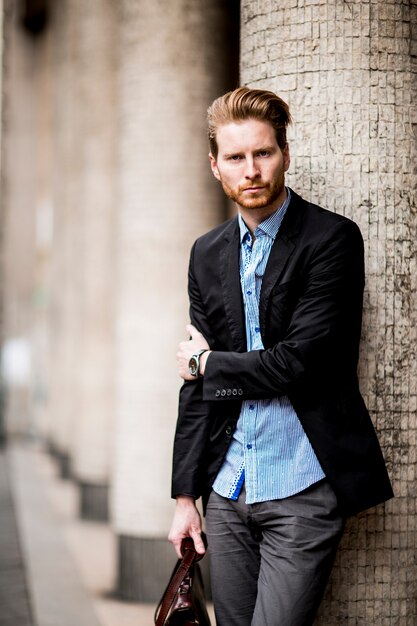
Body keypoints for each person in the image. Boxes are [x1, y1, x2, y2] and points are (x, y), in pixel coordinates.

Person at [169, 86, 393, 626]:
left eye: (263, 153)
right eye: (236, 157)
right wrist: (184, 497)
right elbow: (197, 390)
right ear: (215, 166)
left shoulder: (332, 239)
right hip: (227, 489)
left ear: (285, 155)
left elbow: (298, 363)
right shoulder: (206, 252)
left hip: (302, 486)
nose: (251, 170)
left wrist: (206, 364)